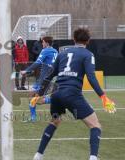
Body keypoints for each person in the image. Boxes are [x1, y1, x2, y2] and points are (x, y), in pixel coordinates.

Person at [33, 28, 116, 160]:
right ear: (88, 41)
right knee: (95, 125)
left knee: (54, 122)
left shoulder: (62, 54)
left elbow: (49, 75)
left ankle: (38, 155)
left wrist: (39, 93)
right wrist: (103, 96)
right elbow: (91, 77)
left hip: (57, 94)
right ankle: (93, 157)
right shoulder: (88, 55)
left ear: (73, 39)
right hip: (72, 94)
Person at [21, 36, 58, 122]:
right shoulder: (55, 51)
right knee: (34, 99)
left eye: (43, 42)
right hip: (51, 78)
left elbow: (38, 62)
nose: (42, 44)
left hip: (45, 79)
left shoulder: (45, 50)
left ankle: (57, 101)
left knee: (36, 100)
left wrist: (26, 71)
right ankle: (33, 118)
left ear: (47, 43)